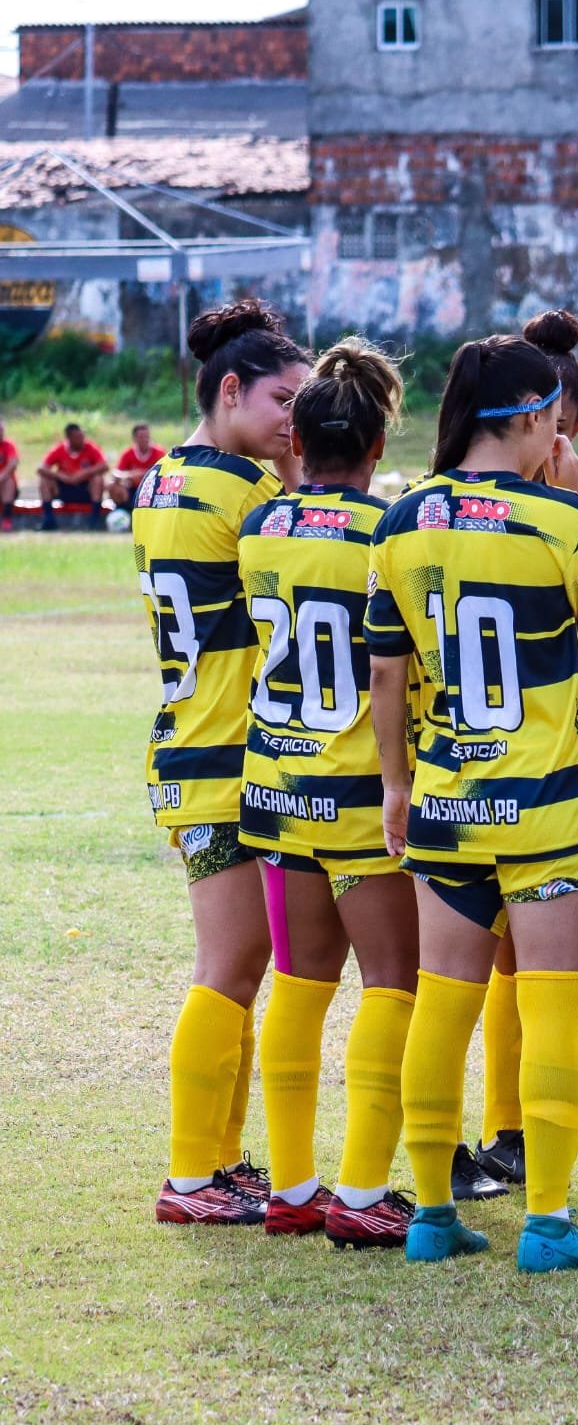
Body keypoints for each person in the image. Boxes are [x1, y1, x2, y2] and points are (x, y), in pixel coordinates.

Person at [366, 333, 578, 1272]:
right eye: (556, 417)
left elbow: (385, 671)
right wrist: (577, 497)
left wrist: (395, 784)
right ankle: (547, 1224)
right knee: (551, 1011)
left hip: (445, 797)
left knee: (442, 1005)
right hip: (548, 803)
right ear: (532, 418)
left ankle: (432, 1216)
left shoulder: (402, 518)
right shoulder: (560, 520)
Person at [236, 338, 421, 1248]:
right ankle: (362, 1191)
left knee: (300, 985)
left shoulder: (258, 528)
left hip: (277, 785)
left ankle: (292, 1188)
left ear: (298, 443)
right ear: (378, 447)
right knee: (392, 984)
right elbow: (397, 668)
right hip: (358, 792)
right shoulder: (388, 533)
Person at [139, 299, 309, 1226]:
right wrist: (301, 476)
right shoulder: (245, 495)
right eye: (285, 401)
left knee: (243, 964)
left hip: (196, 739)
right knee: (231, 962)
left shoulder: (163, 478)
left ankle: (220, 1160)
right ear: (231, 389)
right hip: (223, 754)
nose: (295, 421)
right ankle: (190, 1177)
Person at [38, 422, 108, 530]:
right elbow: (41, 468)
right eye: (78, 437)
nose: (82, 439)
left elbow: (104, 466)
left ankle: (95, 519)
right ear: (69, 438)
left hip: (85, 489)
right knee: (44, 480)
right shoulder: (60, 449)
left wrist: (84, 473)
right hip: (64, 489)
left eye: (82, 435)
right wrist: (60, 476)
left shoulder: (90, 448)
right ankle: (48, 519)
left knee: (98, 479)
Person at [109, 423, 166, 511]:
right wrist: (130, 475)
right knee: (112, 485)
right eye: (141, 437)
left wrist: (146, 475)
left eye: (147, 436)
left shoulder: (159, 452)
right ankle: (123, 510)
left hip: (153, 489)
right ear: (134, 438)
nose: (145, 439)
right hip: (132, 488)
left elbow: (167, 471)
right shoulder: (128, 453)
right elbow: (116, 473)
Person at [0, 417, 17, 530]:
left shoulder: (8, 445)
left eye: (1, 430)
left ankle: (7, 519)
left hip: (5, 487)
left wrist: (1, 476)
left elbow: (13, 463)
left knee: (8, 481)